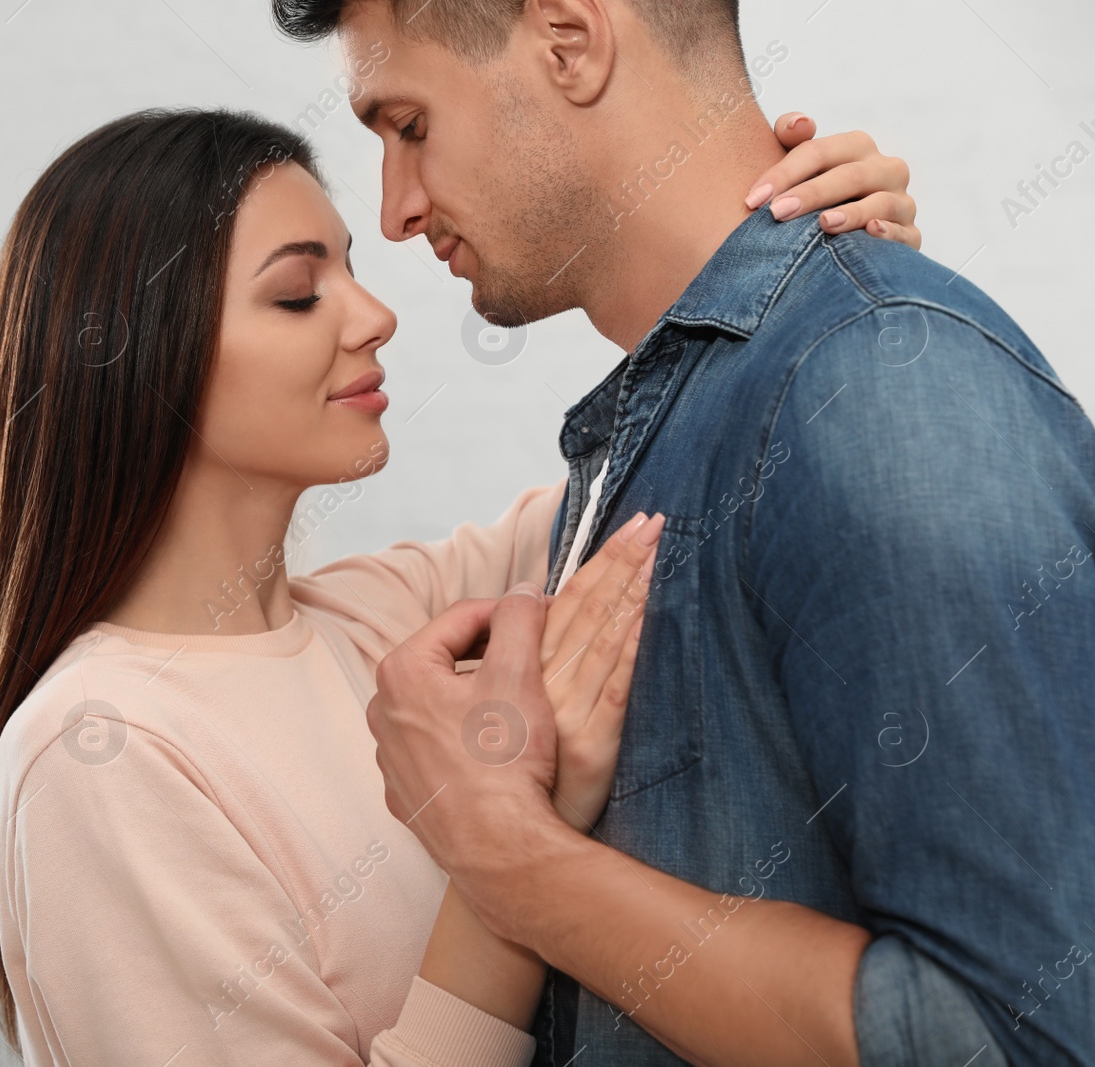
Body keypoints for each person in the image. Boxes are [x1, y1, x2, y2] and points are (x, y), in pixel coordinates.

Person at [0, 107, 922, 1065]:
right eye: (298, 294)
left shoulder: (385, 616)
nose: (374, 317)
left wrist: (819, 267)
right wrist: (508, 831)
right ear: (134, 352)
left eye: (349, 271)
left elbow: (685, 475)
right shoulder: (101, 749)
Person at [268, 0, 1095, 1064]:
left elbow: (1023, 1036)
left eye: (409, 125)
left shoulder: (875, 383)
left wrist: (511, 861)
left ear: (568, 42)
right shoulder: (683, 426)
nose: (395, 210)